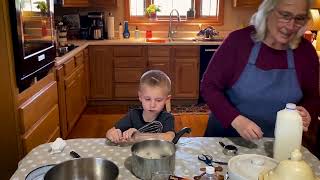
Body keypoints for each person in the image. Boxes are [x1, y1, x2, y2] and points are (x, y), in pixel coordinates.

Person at [201, 0, 319, 140]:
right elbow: (209, 86)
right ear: (268, 12)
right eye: (285, 15)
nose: (291, 26)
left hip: (278, 143)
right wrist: (236, 120)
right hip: (227, 140)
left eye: (299, 18)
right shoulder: (239, 42)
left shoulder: (305, 52)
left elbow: (312, 97)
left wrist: (307, 112)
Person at [106, 70, 175, 143]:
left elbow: (170, 137)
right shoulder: (133, 115)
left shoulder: (167, 117)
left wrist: (138, 136)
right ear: (140, 96)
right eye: (147, 99)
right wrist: (114, 134)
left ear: (167, 100)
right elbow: (110, 132)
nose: (152, 105)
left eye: (158, 100)